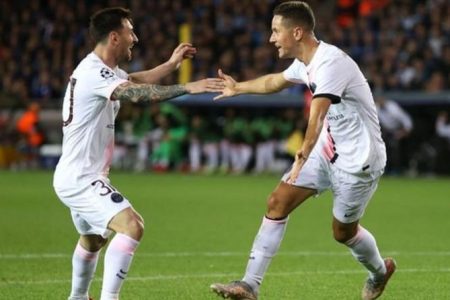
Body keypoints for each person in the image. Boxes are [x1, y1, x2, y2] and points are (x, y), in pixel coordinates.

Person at [210, 2, 395, 300]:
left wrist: (302, 154)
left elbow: (318, 114)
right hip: (327, 148)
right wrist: (238, 87)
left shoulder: (330, 63)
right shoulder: (305, 62)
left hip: (358, 161)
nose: (271, 38)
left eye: (275, 31)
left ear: (296, 32)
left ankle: (379, 273)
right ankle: (249, 285)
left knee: (343, 233)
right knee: (277, 202)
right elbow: (274, 82)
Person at [53, 7, 223, 300]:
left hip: (76, 173)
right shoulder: (94, 73)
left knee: (92, 240)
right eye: (131, 31)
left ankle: (78, 297)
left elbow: (136, 80)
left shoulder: (103, 70)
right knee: (133, 226)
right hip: (81, 177)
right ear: (115, 37)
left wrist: (170, 64)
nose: (136, 37)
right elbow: (136, 94)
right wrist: (187, 87)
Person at [375, 95, 413, 175]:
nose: (379, 101)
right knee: (383, 149)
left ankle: (397, 169)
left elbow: (406, 120)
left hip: (399, 129)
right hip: (387, 131)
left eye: (380, 99)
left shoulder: (393, 108)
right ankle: (385, 169)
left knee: (396, 150)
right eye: (378, 100)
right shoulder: (376, 108)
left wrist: (403, 133)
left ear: (384, 99)